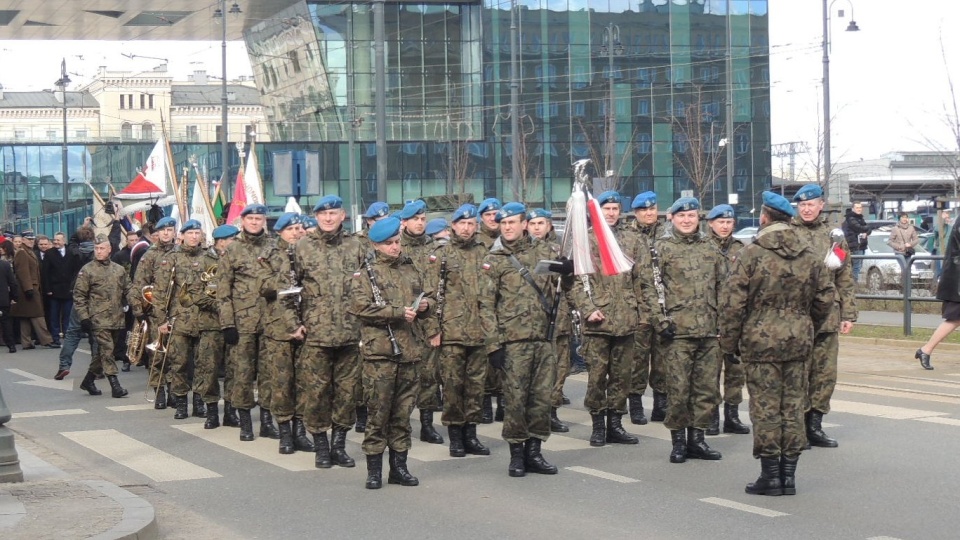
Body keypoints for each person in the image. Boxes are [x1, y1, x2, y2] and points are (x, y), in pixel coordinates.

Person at [720, 191, 834, 496]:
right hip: (798, 341)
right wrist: (806, 324)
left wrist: (729, 344)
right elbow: (825, 298)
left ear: (764, 218)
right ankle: (789, 476)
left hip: (760, 344)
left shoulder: (751, 253)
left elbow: (733, 304)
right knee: (794, 407)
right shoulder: (809, 254)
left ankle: (770, 476)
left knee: (766, 409)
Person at [479, 202, 569, 477]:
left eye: (512, 223)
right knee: (515, 401)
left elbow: (564, 289)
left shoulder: (546, 252)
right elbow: (485, 305)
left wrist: (569, 271)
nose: (507, 227)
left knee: (541, 399)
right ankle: (516, 454)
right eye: (503, 223)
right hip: (512, 342)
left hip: (543, 339)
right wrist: (494, 345)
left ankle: (535, 452)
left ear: (524, 224)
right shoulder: (493, 259)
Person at [350, 216, 436, 489]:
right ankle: (374, 470)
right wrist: (396, 312)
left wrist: (425, 307)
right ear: (376, 245)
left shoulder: (410, 269)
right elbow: (360, 307)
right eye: (389, 244)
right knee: (378, 414)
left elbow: (427, 296)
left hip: (409, 352)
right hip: (380, 354)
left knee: (402, 415)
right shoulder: (365, 274)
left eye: (397, 242)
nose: (395, 247)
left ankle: (399, 467)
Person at [644, 197, 724, 464]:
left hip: (708, 331)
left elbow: (724, 287)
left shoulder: (710, 248)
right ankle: (678, 441)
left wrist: (724, 323)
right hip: (676, 332)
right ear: (672, 219)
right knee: (678, 390)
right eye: (681, 216)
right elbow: (650, 289)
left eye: (691, 216)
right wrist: (660, 321)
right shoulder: (661, 249)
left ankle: (698, 440)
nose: (687, 220)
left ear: (698, 218)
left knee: (705, 390)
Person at [296, 195, 365, 468]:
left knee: (347, 393)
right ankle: (321, 448)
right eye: (322, 214)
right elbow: (289, 288)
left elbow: (369, 287)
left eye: (333, 213)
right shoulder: (303, 247)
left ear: (342, 215)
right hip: (316, 334)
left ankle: (339, 445)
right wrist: (294, 323)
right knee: (317, 393)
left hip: (350, 332)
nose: (328, 218)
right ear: (315, 217)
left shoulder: (356, 246)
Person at [569, 191, 640, 447]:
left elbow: (641, 280)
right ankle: (598, 425)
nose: (611, 213)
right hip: (598, 321)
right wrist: (587, 308)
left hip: (626, 319)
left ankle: (616, 425)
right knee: (598, 376)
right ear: (596, 212)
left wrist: (641, 311)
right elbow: (576, 282)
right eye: (606, 209)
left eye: (615, 208)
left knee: (622, 377)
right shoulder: (585, 240)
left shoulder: (632, 239)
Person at [792, 184, 857, 448]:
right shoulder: (788, 233)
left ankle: (815, 425)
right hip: (796, 315)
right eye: (802, 205)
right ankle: (796, 426)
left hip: (828, 314)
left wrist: (848, 313)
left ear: (821, 205)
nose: (807, 209)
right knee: (797, 371)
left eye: (812, 204)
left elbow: (844, 274)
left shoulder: (833, 237)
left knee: (824, 372)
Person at [427, 204, 491, 458]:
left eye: (471, 224)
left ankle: (471, 434)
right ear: (452, 225)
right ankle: (455, 436)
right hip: (451, 331)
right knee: (453, 386)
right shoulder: (441, 254)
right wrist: (434, 330)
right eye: (461, 223)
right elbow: (431, 294)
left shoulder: (483, 252)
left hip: (479, 331)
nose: (466, 228)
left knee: (476, 386)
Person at [217, 204, 275, 442]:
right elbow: (223, 292)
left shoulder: (274, 248)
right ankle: (245, 423)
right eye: (250, 218)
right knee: (243, 374)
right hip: (243, 324)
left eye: (258, 218)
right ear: (243, 220)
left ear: (264, 221)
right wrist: (227, 324)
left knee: (269, 373)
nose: (254, 222)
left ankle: (267, 421)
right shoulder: (233, 250)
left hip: (271, 321)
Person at [259, 212, 312, 454]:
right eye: (291, 229)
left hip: (307, 325)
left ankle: (300, 431)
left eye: (299, 228)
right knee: (281, 382)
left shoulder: (308, 252)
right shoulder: (270, 255)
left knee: (304, 382)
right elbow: (262, 287)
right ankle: (284, 433)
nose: (296, 233)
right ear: (280, 232)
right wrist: (284, 281)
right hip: (279, 328)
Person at [527, 208, 575, 432]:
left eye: (541, 223)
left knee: (561, 367)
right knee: (537, 370)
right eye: (533, 223)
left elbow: (570, 287)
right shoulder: (522, 252)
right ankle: (536, 411)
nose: (537, 227)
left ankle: (552, 411)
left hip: (561, 318)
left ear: (549, 226)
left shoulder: (559, 249)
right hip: (535, 321)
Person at [399, 200, 444, 445]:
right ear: (404, 222)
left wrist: (435, 327)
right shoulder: (396, 247)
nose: (419, 223)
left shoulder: (435, 249)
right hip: (403, 322)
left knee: (429, 376)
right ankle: (401, 423)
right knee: (404, 378)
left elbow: (439, 290)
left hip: (428, 321)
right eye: (414, 219)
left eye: (422, 219)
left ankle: (427, 424)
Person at [704, 204, 750, 436]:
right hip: (711, 319)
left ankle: (732, 415)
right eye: (720, 222)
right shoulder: (704, 247)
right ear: (710, 223)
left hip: (735, 320)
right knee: (711, 371)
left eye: (729, 222)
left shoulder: (741, 249)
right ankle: (711, 415)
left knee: (735, 371)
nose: (724, 226)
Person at [164, 220, 212, 421]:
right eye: (190, 232)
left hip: (203, 319)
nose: (194, 236)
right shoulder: (172, 258)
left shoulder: (209, 258)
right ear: (182, 235)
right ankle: (181, 403)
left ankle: (199, 402)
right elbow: (161, 292)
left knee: (203, 364)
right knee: (180, 362)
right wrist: (161, 319)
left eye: (197, 232)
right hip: (179, 320)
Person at [73, 234, 131, 398]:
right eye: (96, 248)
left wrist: (140, 304)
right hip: (98, 318)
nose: (98, 252)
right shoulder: (87, 270)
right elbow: (79, 296)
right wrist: (84, 317)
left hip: (117, 317)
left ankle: (88, 381)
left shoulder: (118, 270)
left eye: (102, 248)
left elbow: (129, 289)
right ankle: (115, 386)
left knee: (102, 354)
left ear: (109, 249)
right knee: (107, 351)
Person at [628, 191, 668, 424]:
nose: (649, 213)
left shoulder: (666, 234)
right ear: (636, 213)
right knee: (638, 359)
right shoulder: (628, 236)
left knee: (662, 358)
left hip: (664, 306)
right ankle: (635, 404)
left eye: (652, 209)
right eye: (644, 210)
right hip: (639, 307)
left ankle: (661, 405)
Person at [130, 217, 178, 409]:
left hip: (177, 311)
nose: (166, 233)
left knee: (176, 355)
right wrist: (138, 311)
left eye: (170, 230)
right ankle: (159, 390)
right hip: (155, 312)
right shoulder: (149, 255)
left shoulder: (179, 253)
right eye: (163, 230)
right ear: (156, 233)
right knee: (157, 354)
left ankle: (175, 391)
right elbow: (138, 285)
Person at [916, 213, 960, 370]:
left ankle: (925, 350)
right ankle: (925, 350)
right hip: (957, 278)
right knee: (955, 318)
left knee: (955, 318)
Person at [55, 227, 97, 380]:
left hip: (78, 295)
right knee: (96, 334)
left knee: (73, 333)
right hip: (95, 298)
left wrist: (80, 230)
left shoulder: (74, 252)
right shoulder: (97, 253)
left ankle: (64, 366)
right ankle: (96, 368)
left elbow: (72, 241)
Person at [477, 197, 505, 423]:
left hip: (506, 307)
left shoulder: (508, 239)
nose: (493, 219)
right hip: (483, 305)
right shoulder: (478, 242)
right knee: (486, 358)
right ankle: (485, 403)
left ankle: (503, 402)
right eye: (488, 215)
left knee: (506, 356)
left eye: (496, 215)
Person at [11, 231, 57, 350]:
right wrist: (28, 289)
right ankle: (46, 340)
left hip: (30, 287)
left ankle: (26, 342)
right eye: (28, 239)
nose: (31, 241)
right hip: (28, 288)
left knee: (25, 316)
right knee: (38, 315)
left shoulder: (28, 251)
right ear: (23, 240)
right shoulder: (22, 252)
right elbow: (23, 272)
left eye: (32, 239)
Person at [842, 202, 870, 282]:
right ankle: (854, 285)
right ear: (853, 208)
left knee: (857, 266)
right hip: (855, 246)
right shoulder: (851, 219)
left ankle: (852, 284)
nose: (859, 209)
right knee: (856, 266)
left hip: (861, 245)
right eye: (857, 207)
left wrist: (866, 232)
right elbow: (859, 228)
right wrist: (867, 228)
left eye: (860, 207)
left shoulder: (860, 218)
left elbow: (867, 230)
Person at [0, 247, 18, 353]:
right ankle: (11, 345)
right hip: (3, 299)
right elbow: (12, 282)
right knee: (6, 322)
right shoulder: (5, 265)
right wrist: (14, 296)